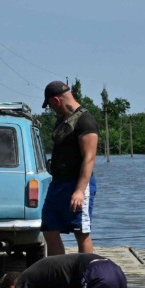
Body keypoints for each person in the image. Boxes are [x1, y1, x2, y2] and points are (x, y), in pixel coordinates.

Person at [41, 81, 98, 257]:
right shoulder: (62, 120)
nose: (50, 109)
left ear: (57, 100)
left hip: (77, 184)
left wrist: (80, 191)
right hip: (58, 184)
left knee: (81, 232)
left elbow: (89, 158)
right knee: (49, 229)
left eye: (50, 105)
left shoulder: (85, 121)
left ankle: (86, 275)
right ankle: (58, 273)